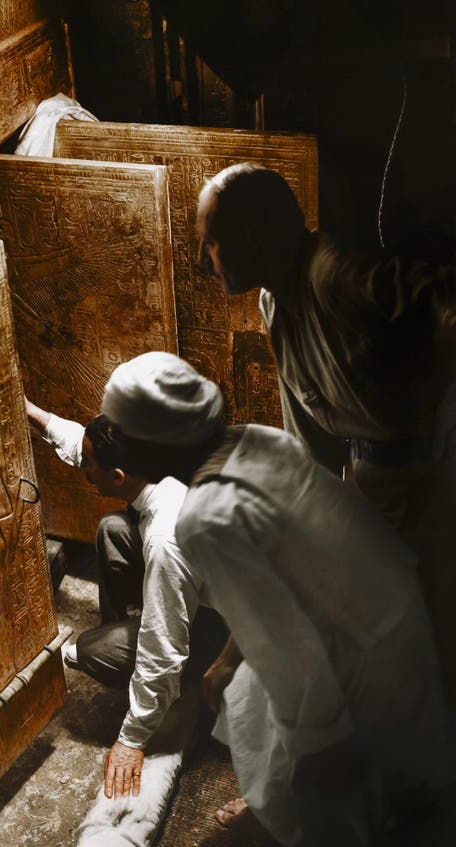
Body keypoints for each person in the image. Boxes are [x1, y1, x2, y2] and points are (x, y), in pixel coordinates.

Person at [99, 350, 453, 846]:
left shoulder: (206, 518)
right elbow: (280, 584)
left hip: (356, 650)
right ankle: (278, 801)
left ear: (151, 443)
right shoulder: (256, 440)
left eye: (118, 432)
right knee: (242, 692)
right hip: (393, 603)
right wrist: (226, 660)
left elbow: (293, 654)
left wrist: (319, 756)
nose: (112, 443)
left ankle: (296, 811)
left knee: (338, 806)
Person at [196, 161, 456, 703]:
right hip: (371, 490)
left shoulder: (334, 274)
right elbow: (309, 453)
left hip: (432, 492)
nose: (204, 261)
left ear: (252, 235)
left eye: (212, 242)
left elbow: (443, 301)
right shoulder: (274, 304)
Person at [24, 398, 228, 800]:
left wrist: (132, 740)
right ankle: (137, 636)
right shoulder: (157, 461)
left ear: (118, 477)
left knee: (92, 650)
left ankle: (176, 685)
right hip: (212, 591)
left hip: (235, 635)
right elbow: (90, 443)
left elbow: (163, 649)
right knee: (114, 529)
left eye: (89, 466)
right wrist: (39, 417)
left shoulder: (167, 540)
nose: (85, 473)